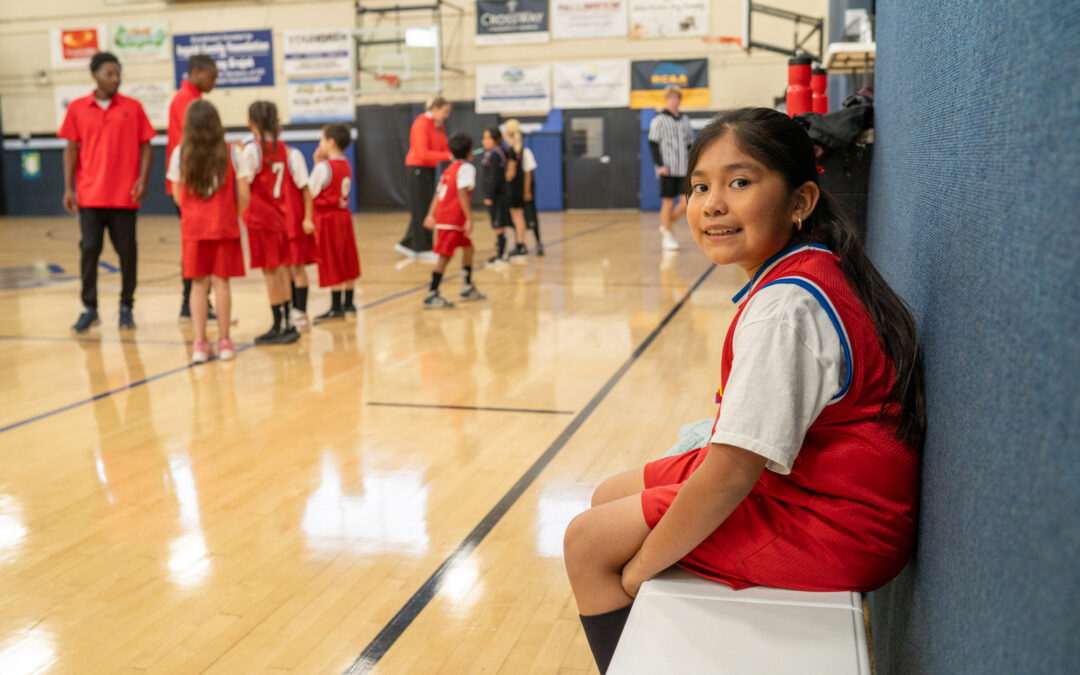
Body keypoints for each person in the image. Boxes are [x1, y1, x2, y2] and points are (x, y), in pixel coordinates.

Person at [562, 108, 926, 673]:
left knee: (589, 545)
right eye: (700, 186)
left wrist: (639, 571)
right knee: (609, 493)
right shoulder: (811, 266)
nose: (712, 204)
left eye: (740, 182)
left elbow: (732, 472)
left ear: (801, 201)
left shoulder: (785, 309)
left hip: (838, 525)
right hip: (819, 489)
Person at [59, 51, 155, 333]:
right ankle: (90, 308)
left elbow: (147, 144)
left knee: (127, 253)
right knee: (89, 249)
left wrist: (143, 179)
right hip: (90, 196)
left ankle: (126, 306)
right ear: (95, 76)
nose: (116, 79)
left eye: (118, 73)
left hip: (124, 197)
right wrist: (68, 188)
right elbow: (71, 149)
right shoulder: (78, 108)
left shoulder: (133, 107)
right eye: (110, 73)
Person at [166, 100, 246, 363]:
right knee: (222, 283)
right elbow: (244, 194)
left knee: (197, 286)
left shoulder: (180, 153)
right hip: (223, 227)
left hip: (194, 229)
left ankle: (200, 344)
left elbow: (177, 196)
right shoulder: (232, 153)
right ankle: (225, 342)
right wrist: (230, 215)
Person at [238, 101, 300, 345]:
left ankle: (278, 325)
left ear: (251, 123)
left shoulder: (252, 151)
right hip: (280, 216)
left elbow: (245, 189)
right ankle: (288, 322)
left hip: (261, 219)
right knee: (282, 270)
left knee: (271, 273)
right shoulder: (283, 148)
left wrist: (237, 214)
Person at [168, 54, 218, 321]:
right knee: (196, 247)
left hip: (190, 184)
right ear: (196, 72)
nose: (215, 82)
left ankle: (195, 304)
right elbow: (189, 147)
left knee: (196, 246)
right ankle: (191, 305)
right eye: (212, 76)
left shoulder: (189, 98)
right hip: (191, 186)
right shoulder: (188, 101)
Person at [421, 132, 486, 309]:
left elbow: (438, 194)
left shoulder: (448, 170)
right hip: (453, 219)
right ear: (470, 152)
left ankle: (467, 286)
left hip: (446, 217)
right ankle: (431, 293)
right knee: (444, 256)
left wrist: (430, 214)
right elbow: (462, 192)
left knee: (468, 249)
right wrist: (469, 218)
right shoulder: (467, 168)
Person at [309, 123, 360, 321]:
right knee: (347, 259)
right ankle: (349, 303)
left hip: (328, 218)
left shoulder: (324, 167)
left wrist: (316, 164)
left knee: (332, 260)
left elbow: (312, 190)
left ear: (331, 142)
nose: (319, 143)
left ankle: (335, 307)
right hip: (343, 217)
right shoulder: (346, 163)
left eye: (321, 139)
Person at [398, 96, 453, 261]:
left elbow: (443, 146)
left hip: (429, 168)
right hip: (417, 168)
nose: (446, 115)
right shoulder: (421, 123)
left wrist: (454, 152)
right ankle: (422, 248)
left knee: (424, 206)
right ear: (434, 109)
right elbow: (423, 153)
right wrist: (447, 155)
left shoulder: (439, 125)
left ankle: (408, 242)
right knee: (423, 208)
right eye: (444, 111)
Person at [648, 85, 695, 252]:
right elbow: (653, 144)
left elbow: (690, 144)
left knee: (686, 202)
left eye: (676, 98)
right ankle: (667, 233)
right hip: (667, 168)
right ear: (666, 100)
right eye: (670, 98)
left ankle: (667, 223)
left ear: (679, 100)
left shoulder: (685, 120)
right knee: (667, 202)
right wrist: (660, 165)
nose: (673, 101)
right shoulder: (659, 120)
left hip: (683, 168)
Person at [282, 143, 317, 331]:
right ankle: (289, 311)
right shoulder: (260, 154)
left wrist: (308, 217)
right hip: (278, 222)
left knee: (297, 267)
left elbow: (306, 189)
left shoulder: (292, 155)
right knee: (284, 269)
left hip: (294, 220)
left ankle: (301, 312)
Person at [479, 127, 512, 264]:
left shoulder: (495, 155)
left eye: (488, 138)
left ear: (497, 139)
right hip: (497, 195)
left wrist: (489, 196)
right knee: (497, 225)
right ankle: (501, 251)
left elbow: (494, 177)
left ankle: (501, 254)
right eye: (484, 138)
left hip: (498, 196)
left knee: (499, 225)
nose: (485, 141)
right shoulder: (491, 154)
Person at [501, 119, 529, 262]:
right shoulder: (520, 149)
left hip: (513, 188)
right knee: (519, 216)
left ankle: (520, 244)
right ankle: (521, 243)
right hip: (519, 187)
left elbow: (510, 173)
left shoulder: (512, 152)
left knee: (517, 217)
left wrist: (501, 180)